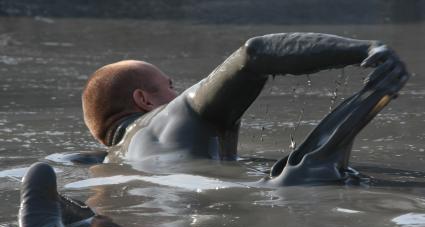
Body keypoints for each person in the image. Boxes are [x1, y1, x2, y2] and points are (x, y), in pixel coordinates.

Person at [81, 33, 408, 164]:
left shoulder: (110, 161)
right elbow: (253, 55)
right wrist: (366, 50)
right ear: (144, 100)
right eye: (169, 85)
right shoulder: (170, 118)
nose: (178, 94)